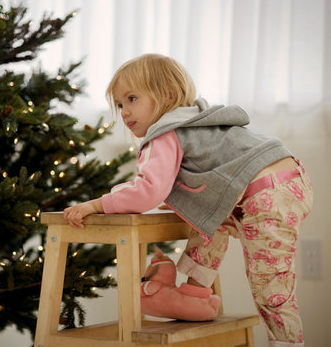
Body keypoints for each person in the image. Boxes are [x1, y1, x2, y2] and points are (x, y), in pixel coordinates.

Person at [63, 53, 313, 347]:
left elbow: (148, 190)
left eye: (132, 99)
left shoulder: (165, 132)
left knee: (270, 283)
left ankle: (286, 343)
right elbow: (182, 187)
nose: (125, 113)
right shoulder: (198, 121)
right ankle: (194, 294)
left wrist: (96, 204)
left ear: (167, 95)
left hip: (265, 193)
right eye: (119, 105)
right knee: (209, 222)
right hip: (287, 180)